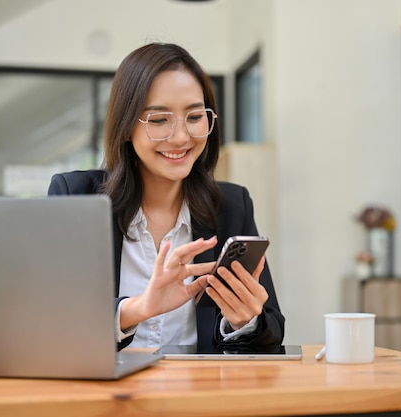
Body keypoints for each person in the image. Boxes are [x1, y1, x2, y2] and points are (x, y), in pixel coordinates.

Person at [48, 42, 284, 351]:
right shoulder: (74, 199)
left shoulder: (231, 205)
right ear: (126, 126)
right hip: (108, 396)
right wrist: (140, 308)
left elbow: (272, 335)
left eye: (195, 117)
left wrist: (243, 322)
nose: (181, 137)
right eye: (159, 120)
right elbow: (54, 326)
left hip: (198, 396)